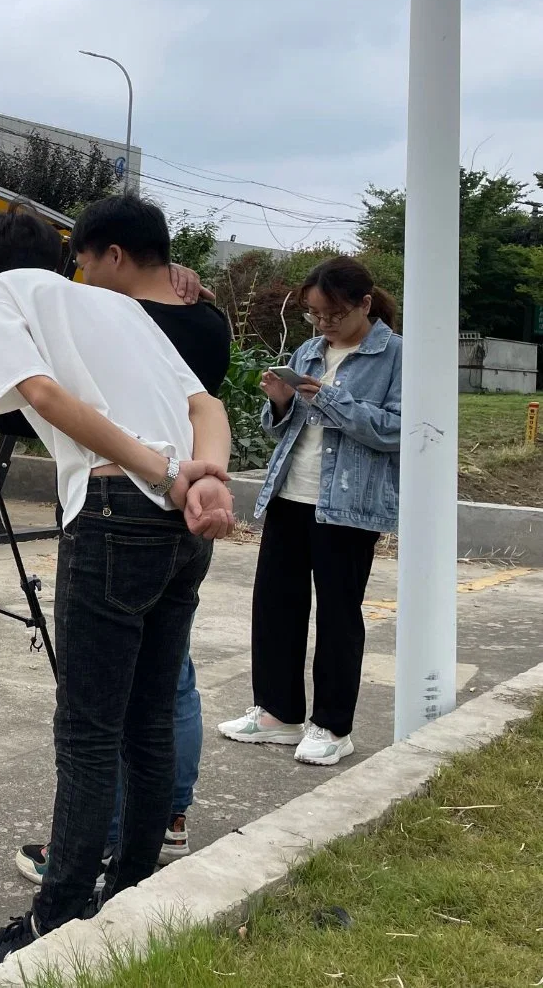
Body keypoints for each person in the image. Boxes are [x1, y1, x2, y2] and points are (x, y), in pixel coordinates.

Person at [0, 207, 234, 975]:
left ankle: (56, 919)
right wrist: (205, 475)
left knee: (87, 730)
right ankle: (131, 892)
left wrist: (163, 472)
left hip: (115, 512)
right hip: (177, 528)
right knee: (145, 719)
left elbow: (36, 391)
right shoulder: (113, 305)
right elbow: (207, 405)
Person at [219, 256, 401, 766]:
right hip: (289, 495)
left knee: (339, 616)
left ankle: (332, 726)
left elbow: (396, 430)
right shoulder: (309, 349)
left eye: (333, 314)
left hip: (347, 505)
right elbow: (284, 427)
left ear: (365, 304)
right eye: (315, 315)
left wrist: (329, 398)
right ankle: (278, 714)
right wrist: (279, 401)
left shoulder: (397, 356)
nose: (323, 324)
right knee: (276, 606)